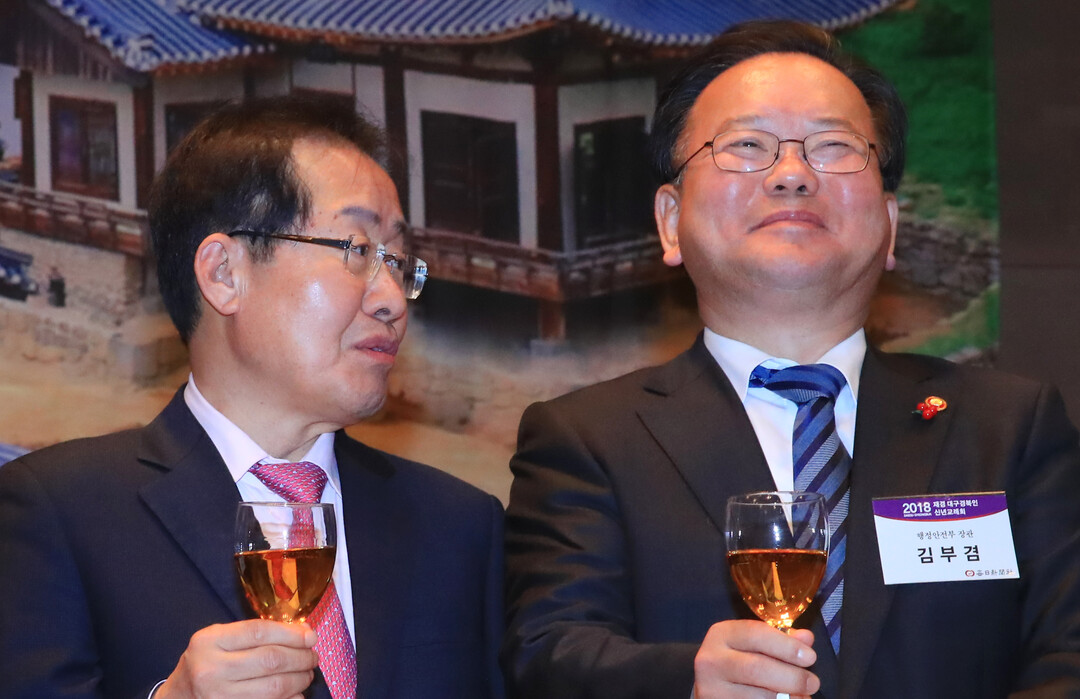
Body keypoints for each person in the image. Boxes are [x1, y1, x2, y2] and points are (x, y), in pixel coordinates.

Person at [503, 19, 1080, 699]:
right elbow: (550, 655)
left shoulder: (1009, 429)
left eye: (834, 147)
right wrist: (687, 681)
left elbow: (1066, 655)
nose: (792, 174)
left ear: (890, 225)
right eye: (747, 145)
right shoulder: (587, 440)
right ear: (670, 221)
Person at [0, 95, 505, 699]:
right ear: (224, 273)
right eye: (357, 250)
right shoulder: (57, 513)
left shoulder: (460, 526)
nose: (392, 299)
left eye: (397, 261)